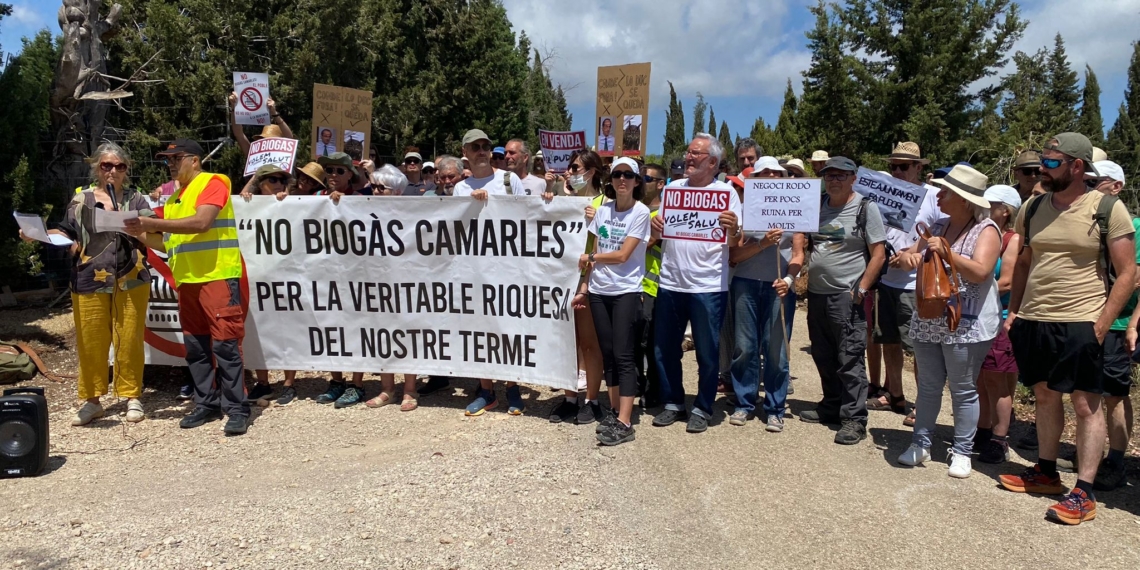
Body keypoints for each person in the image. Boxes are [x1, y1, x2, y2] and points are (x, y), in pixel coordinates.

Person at [1000, 133, 1136, 526]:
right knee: (1044, 395)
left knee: (1085, 404)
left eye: (1053, 162)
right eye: (1044, 161)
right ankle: (1045, 472)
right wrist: (1015, 313)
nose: (1044, 168)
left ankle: (1084, 492)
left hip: (1083, 321)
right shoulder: (1033, 207)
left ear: (1078, 167)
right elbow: (1024, 263)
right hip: (1036, 319)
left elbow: (1128, 274)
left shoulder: (1108, 208)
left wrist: (1103, 323)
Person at [22, 143, 154, 426]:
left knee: (129, 338)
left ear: (126, 170)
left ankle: (132, 396)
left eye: (119, 166)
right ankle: (92, 400)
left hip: (131, 277)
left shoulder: (137, 199)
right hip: (89, 277)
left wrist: (139, 228)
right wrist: (37, 234)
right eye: (107, 165)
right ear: (96, 167)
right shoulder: (81, 199)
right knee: (91, 340)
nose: (113, 171)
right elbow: (66, 230)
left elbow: (155, 233)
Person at [126, 139, 250, 436]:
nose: (170, 163)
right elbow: (167, 243)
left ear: (195, 160)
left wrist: (147, 221)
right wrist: (139, 233)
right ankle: (206, 403)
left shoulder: (213, 181)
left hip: (217, 276)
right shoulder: (173, 200)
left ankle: (237, 409)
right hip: (189, 282)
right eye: (167, 159)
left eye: (176, 157)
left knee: (226, 346)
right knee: (196, 348)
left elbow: (201, 223)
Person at [894, 164, 1001, 479]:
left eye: (946, 192)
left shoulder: (988, 230)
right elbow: (904, 257)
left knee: (963, 389)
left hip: (965, 323)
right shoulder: (937, 226)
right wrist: (907, 259)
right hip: (930, 317)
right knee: (928, 385)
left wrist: (947, 254)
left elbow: (982, 272)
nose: (938, 195)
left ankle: (963, 451)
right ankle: (921, 442)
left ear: (966, 200)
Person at [649, 133, 742, 434]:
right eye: (688, 152)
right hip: (671, 281)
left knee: (706, 350)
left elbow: (735, 243)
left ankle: (703, 407)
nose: (688, 158)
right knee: (665, 348)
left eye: (696, 154)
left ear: (713, 162)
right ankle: (673, 403)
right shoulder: (672, 190)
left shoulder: (727, 194)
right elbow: (659, 234)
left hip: (708, 286)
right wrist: (655, 226)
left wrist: (733, 229)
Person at [800, 156, 886, 445]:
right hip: (817, 294)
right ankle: (831, 406)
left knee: (849, 358)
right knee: (823, 354)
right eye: (829, 175)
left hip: (847, 295)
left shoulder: (865, 208)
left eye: (840, 175)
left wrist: (861, 288)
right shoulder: (817, 206)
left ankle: (854, 419)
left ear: (853, 178)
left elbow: (879, 254)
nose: (834, 180)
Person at [576, 157, 652, 445]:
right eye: (618, 174)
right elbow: (594, 250)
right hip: (599, 291)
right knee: (608, 353)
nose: (622, 179)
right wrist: (584, 286)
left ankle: (625, 420)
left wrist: (592, 258)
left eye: (628, 175)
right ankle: (613, 411)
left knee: (624, 355)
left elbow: (621, 255)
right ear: (611, 179)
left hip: (626, 291)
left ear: (636, 181)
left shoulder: (641, 212)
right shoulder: (602, 210)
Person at [729, 159, 806, 432]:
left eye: (776, 172)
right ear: (755, 178)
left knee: (776, 351)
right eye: (764, 172)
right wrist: (762, 243)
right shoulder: (744, 209)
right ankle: (744, 402)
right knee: (745, 347)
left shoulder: (795, 208)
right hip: (746, 284)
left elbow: (798, 254)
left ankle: (775, 407)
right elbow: (734, 255)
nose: (771, 175)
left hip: (778, 286)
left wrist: (789, 279)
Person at [868, 143, 942, 425]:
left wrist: (915, 254)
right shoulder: (882, 191)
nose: (897, 171)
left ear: (918, 167)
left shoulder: (934, 196)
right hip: (885, 277)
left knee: (920, 348)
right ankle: (894, 394)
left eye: (904, 166)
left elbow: (943, 235)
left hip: (916, 282)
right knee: (889, 341)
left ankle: (923, 405)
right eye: (893, 166)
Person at [454, 129, 526, 416]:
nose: (482, 151)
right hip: (476, 271)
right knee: (481, 330)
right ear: (466, 153)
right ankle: (486, 390)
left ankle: (512, 386)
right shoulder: (460, 188)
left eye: (485, 146)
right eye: (475, 147)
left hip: (508, 269)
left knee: (509, 329)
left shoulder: (510, 180)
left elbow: (527, 217)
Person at [547, 149, 606, 424]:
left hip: (591, 281)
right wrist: (548, 195)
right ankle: (570, 398)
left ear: (591, 172)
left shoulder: (605, 203)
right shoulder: (565, 201)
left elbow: (609, 239)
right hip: (562, 279)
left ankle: (592, 400)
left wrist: (599, 222)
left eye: (574, 168)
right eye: (569, 168)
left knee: (590, 344)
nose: (569, 173)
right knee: (568, 342)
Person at [308, 152, 370, 406]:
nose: (333, 175)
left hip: (354, 276)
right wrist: (281, 200)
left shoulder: (361, 200)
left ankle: (357, 384)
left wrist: (346, 204)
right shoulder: (313, 199)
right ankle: (336, 380)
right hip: (323, 274)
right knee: (328, 328)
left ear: (350, 175)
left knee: (355, 329)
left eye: (339, 171)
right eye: (329, 170)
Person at [1091, 160, 1135, 491]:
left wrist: (1110, 314)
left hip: (1117, 323)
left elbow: (1132, 278)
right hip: (1083, 319)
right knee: (1086, 391)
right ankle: (1092, 454)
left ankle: (1116, 461)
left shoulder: (1133, 224)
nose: (1090, 186)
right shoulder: (1090, 221)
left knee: (1115, 395)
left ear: (1116, 187)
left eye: (1097, 181)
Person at [975, 185, 1022, 465]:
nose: (984, 208)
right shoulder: (983, 233)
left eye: (990, 204)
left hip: (1000, 318)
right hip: (979, 316)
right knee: (980, 378)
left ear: (1005, 210)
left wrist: (973, 284)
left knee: (997, 379)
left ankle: (999, 438)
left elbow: (1007, 281)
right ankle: (983, 429)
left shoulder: (1012, 240)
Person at [635, 163, 667, 408]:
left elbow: (642, 245)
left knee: (650, 341)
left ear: (660, 184)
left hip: (652, 285)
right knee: (632, 339)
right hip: (630, 283)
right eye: (640, 176)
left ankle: (653, 388)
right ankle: (636, 383)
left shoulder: (664, 214)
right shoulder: (633, 210)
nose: (641, 181)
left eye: (646, 177)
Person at [228, 92, 295, 156]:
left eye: (271, 141)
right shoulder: (253, 155)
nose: (266, 144)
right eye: (263, 140)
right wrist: (234, 108)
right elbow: (239, 134)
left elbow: (290, 138)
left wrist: (274, 113)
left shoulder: (285, 156)